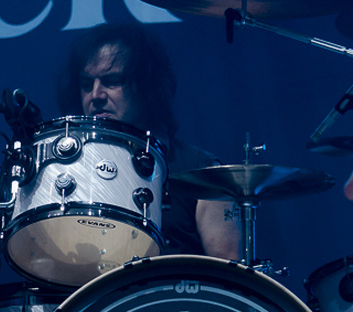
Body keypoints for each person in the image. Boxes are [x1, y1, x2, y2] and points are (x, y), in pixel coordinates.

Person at [56, 22, 239, 260]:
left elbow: (228, 270)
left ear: (146, 85)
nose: (96, 95)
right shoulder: (68, 172)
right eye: (86, 85)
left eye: (112, 81)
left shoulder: (201, 171)